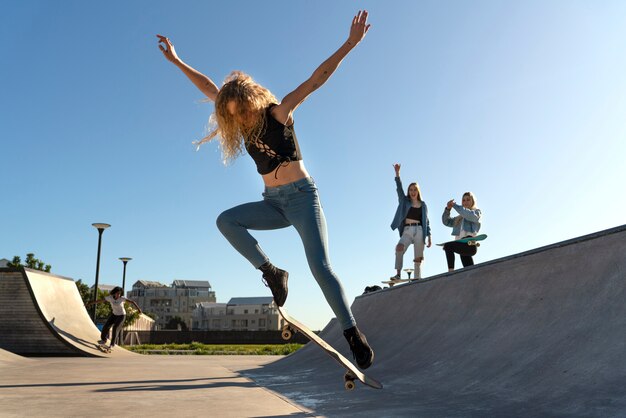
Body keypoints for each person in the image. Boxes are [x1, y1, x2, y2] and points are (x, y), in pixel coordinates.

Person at [156, 10, 374, 369]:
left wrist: (349, 44)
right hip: (273, 204)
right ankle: (272, 272)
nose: (238, 120)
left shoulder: (279, 112)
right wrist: (178, 61)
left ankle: (352, 332)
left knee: (320, 266)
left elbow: (315, 80)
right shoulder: (239, 124)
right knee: (226, 221)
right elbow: (209, 88)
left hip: (303, 199)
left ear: (251, 103)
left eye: (240, 112)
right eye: (231, 115)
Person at [389, 164, 432, 280]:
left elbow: (426, 221)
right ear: (408, 191)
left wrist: (429, 236)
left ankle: (417, 278)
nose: (413, 192)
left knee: (418, 258)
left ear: (418, 191)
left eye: (415, 190)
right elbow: (399, 189)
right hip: (407, 230)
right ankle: (398, 274)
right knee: (399, 247)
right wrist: (397, 174)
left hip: (419, 230)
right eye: (411, 190)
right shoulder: (404, 201)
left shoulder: (423, 205)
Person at [441, 192, 482, 271]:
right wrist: (448, 209)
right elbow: (446, 221)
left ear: (472, 201)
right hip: (461, 245)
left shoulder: (476, 212)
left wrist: (455, 206)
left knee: (448, 246)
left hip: (470, 245)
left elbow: (468, 215)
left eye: (468, 200)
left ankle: (451, 272)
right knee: (469, 270)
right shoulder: (458, 218)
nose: (465, 202)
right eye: (463, 200)